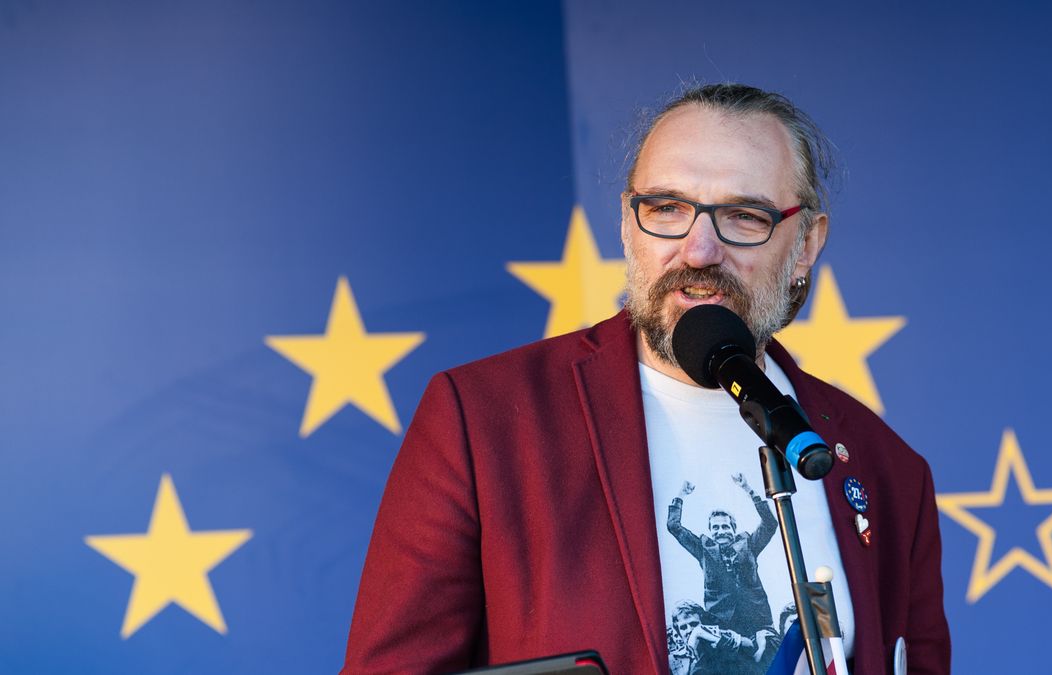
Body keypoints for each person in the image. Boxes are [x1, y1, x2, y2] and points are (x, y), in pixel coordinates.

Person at [342, 83, 950, 674]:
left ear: (807, 245)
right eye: (667, 209)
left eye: (743, 216)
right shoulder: (482, 420)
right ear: (629, 225)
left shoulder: (886, 470)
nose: (698, 249)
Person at [667, 475, 777, 638]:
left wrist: (749, 490)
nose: (720, 531)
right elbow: (673, 526)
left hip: (757, 618)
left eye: (725, 526)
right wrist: (681, 495)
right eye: (715, 528)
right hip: (722, 624)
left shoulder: (749, 544)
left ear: (733, 529)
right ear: (711, 531)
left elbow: (770, 523)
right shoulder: (703, 549)